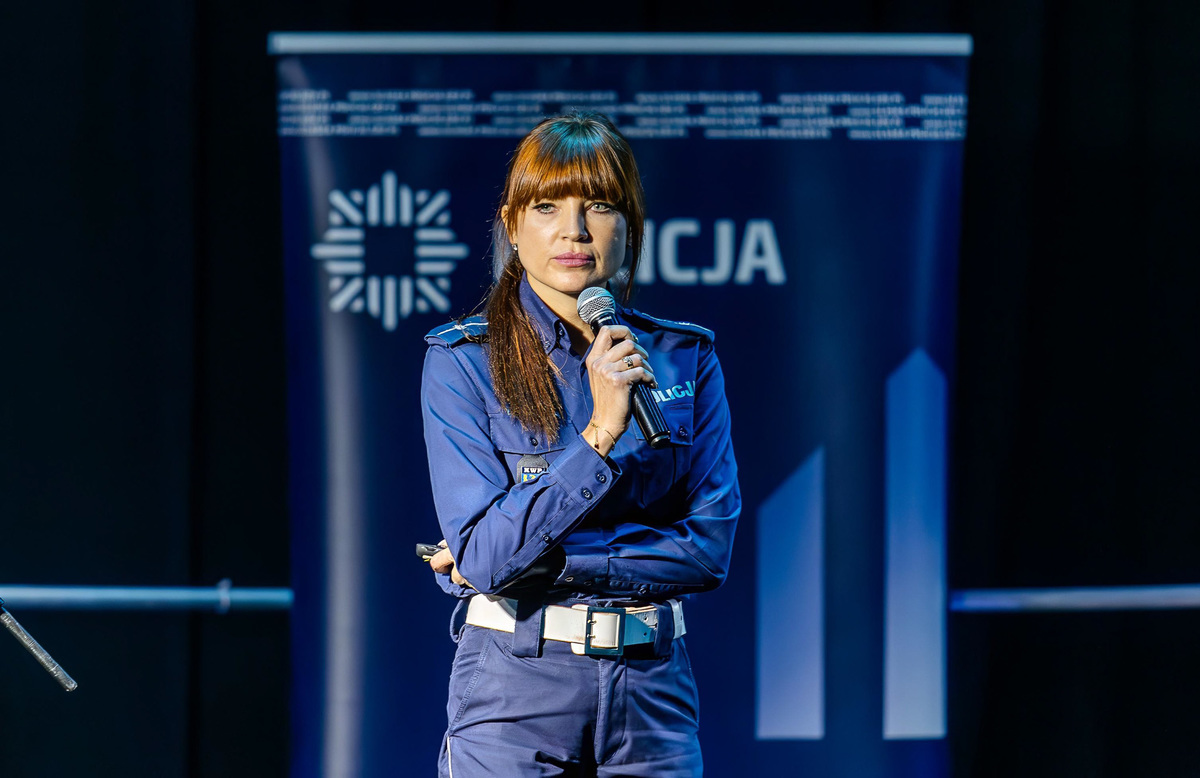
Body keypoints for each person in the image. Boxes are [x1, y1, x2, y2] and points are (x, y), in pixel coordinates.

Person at [420, 110, 740, 777]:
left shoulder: (685, 357)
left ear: (630, 226)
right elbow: (486, 554)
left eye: (599, 205)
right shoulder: (463, 363)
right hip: (515, 691)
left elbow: (707, 551)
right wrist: (599, 436)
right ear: (513, 225)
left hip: (653, 694)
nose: (574, 230)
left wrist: (539, 560)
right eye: (548, 207)